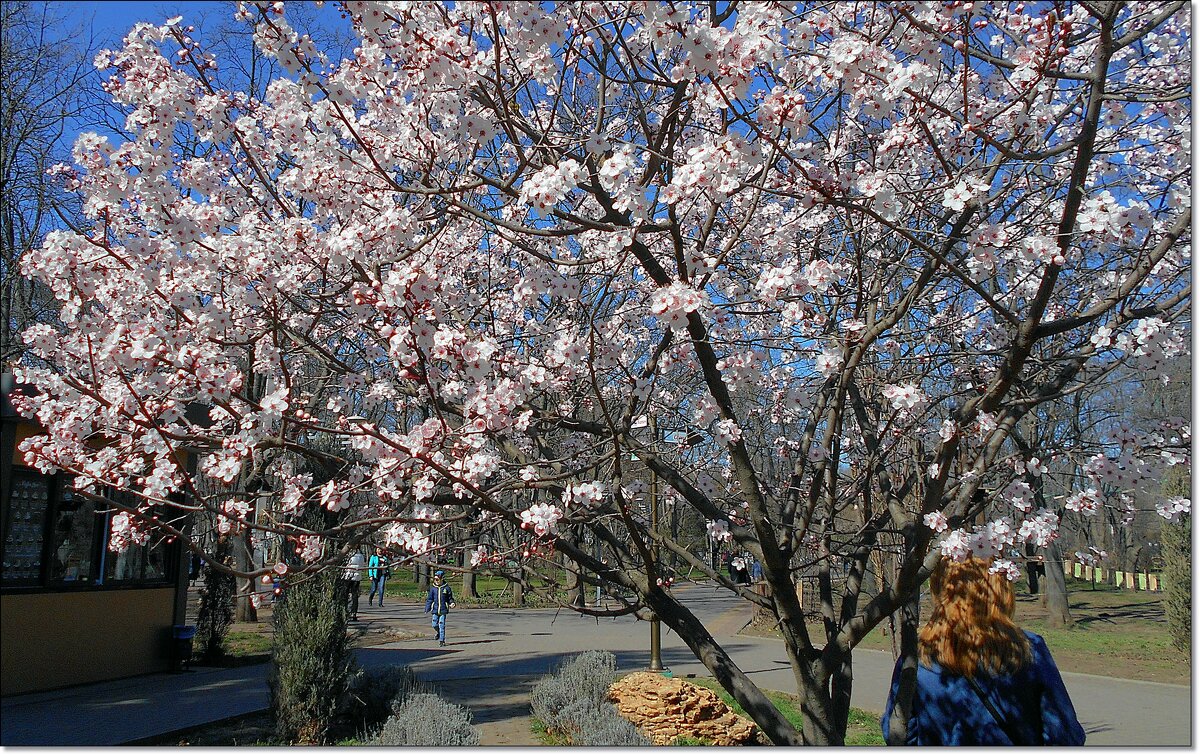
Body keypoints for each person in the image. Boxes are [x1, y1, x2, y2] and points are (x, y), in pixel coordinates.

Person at [881, 557, 1085, 745]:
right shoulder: (1028, 649)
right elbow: (1064, 735)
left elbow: (897, 732)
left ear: (939, 587)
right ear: (1002, 589)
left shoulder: (919, 655)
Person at [425, 569, 456, 646]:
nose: (436, 581)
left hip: (443, 610)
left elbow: (450, 598)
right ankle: (438, 632)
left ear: (442, 579)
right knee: (434, 624)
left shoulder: (446, 588)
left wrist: (452, 603)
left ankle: (442, 640)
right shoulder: (433, 588)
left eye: (438, 579)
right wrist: (427, 608)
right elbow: (430, 599)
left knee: (442, 624)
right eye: (435, 579)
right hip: (435, 609)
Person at [341, 550, 366, 620]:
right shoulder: (361, 556)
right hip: (357, 577)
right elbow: (362, 565)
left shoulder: (346, 554)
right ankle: (353, 613)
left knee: (345, 595)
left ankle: (345, 611)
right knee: (354, 595)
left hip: (347, 576)